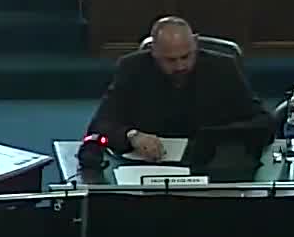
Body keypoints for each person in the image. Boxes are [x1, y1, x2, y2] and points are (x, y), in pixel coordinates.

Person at [87, 16, 267, 160]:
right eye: (170, 60)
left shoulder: (223, 68)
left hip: (211, 165)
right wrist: (132, 136)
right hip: (150, 167)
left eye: (186, 56)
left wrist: (219, 138)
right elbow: (100, 125)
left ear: (195, 43)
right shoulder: (132, 68)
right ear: (153, 51)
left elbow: (263, 121)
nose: (180, 66)